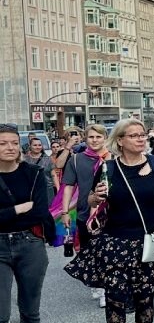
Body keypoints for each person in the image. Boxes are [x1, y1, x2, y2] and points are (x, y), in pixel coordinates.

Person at [63, 119, 154, 323]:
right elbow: (91, 200)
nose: (140, 139)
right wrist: (96, 196)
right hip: (115, 242)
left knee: (145, 295)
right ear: (120, 141)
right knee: (115, 296)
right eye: (134, 136)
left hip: (148, 240)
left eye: (142, 135)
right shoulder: (108, 168)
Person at [0, 123, 51, 323]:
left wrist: (8, 213)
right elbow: (27, 209)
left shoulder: (33, 174)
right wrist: (18, 208)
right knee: (0, 310)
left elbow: (40, 211)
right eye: (2, 143)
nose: (9, 147)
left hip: (30, 243)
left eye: (12, 142)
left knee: (29, 306)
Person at [60, 124, 110, 306]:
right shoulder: (76, 160)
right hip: (84, 212)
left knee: (107, 251)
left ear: (105, 138)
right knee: (90, 250)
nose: (95, 140)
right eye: (91, 137)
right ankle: (96, 283)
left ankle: (105, 288)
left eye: (98, 137)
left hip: (111, 212)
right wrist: (65, 211)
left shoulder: (114, 157)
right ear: (85, 139)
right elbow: (68, 186)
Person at [22, 136, 54, 200]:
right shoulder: (24, 160)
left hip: (47, 190)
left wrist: (58, 189)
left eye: (39, 145)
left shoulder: (48, 159)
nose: (37, 147)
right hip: (30, 190)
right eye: (35, 145)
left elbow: (53, 174)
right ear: (30, 146)